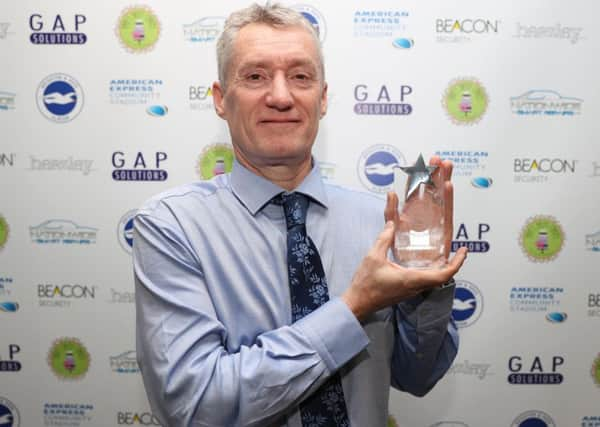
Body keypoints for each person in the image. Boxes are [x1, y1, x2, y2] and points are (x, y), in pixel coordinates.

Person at [133, 3, 468, 427]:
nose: (280, 96)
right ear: (221, 99)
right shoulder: (171, 227)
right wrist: (352, 307)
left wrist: (427, 279)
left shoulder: (381, 223)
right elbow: (195, 407)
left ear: (322, 98)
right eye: (255, 76)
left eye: (301, 77)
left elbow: (417, 377)